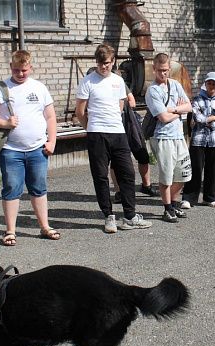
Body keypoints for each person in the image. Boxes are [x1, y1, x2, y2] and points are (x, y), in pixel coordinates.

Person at [0, 50, 59, 246]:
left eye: (24, 70)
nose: (20, 74)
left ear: (30, 68)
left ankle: (45, 227)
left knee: (39, 188)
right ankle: (10, 231)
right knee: (11, 189)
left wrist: (52, 141)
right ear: (10, 68)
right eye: (16, 70)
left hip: (37, 149)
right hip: (10, 149)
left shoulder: (39, 88)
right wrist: (5, 123)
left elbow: (50, 117)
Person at [75, 44, 152, 233]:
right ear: (96, 62)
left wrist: (112, 123)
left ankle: (130, 216)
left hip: (118, 133)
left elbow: (120, 106)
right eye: (101, 64)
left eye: (108, 63)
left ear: (113, 61)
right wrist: (91, 128)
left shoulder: (118, 81)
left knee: (127, 173)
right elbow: (80, 111)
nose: (104, 67)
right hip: (97, 134)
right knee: (101, 176)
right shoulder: (88, 81)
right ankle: (108, 216)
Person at [145, 53, 192, 223]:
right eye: (159, 71)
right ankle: (167, 208)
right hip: (162, 137)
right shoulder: (152, 90)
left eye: (165, 71)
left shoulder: (175, 84)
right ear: (154, 69)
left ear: (169, 69)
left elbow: (189, 106)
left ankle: (174, 203)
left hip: (179, 136)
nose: (163, 74)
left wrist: (173, 110)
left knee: (183, 174)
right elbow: (162, 118)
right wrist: (177, 111)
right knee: (167, 176)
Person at [182, 72, 215, 208]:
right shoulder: (197, 99)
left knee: (211, 169)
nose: (211, 86)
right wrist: (212, 118)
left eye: (214, 84)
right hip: (198, 139)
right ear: (205, 84)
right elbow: (197, 117)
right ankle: (189, 198)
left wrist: (211, 122)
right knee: (195, 169)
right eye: (209, 83)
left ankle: (209, 197)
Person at [112, 82, 158, 204]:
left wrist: (119, 102)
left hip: (130, 123)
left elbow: (132, 102)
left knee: (142, 155)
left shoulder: (120, 83)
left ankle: (146, 185)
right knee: (116, 160)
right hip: (113, 127)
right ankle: (119, 192)